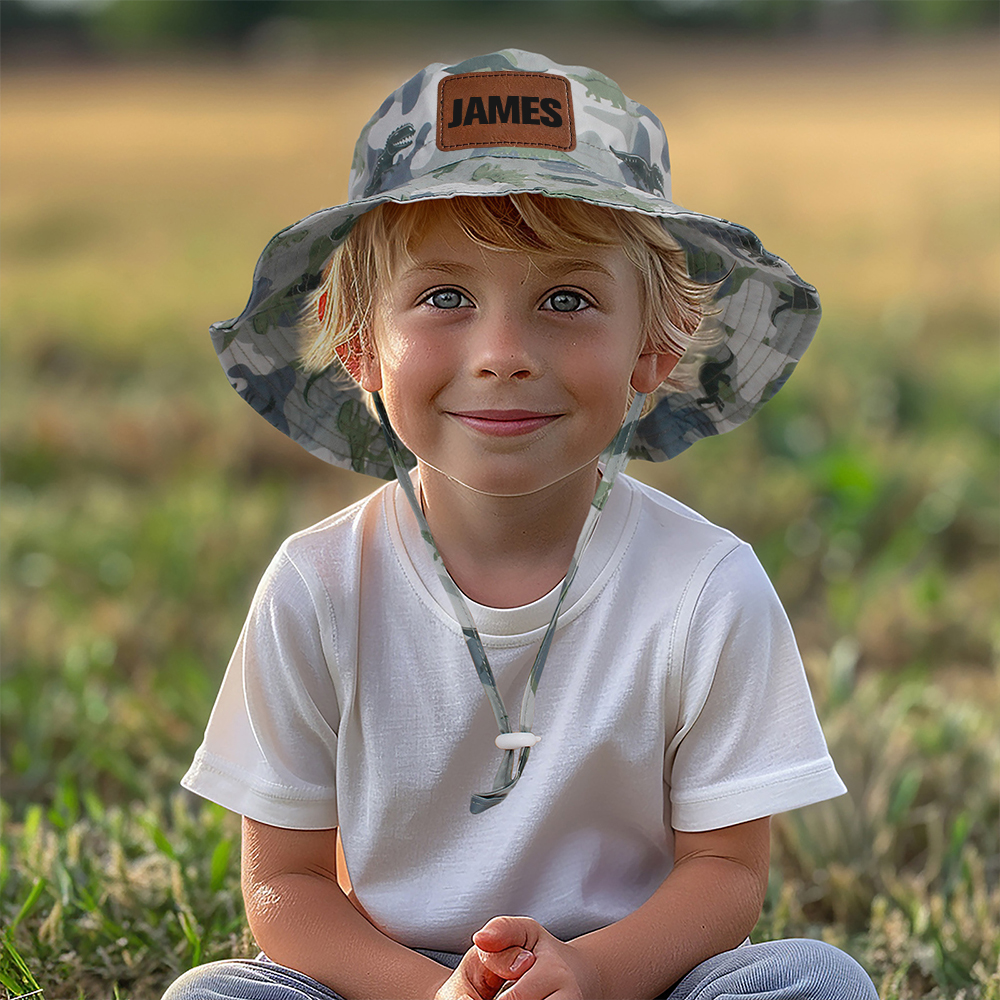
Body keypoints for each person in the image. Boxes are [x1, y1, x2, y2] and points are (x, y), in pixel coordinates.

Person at [162, 51, 878, 1000]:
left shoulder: (707, 587)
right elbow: (284, 886)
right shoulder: (318, 585)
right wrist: (432, 995)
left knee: (812, 977)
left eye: (567, 300)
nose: (503, 354)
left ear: (653, 348)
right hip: (393, 982)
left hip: (633, 974)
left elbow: (726, 872)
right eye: (445, 298)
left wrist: (591, 972)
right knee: (214, 995)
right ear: (359, 343)